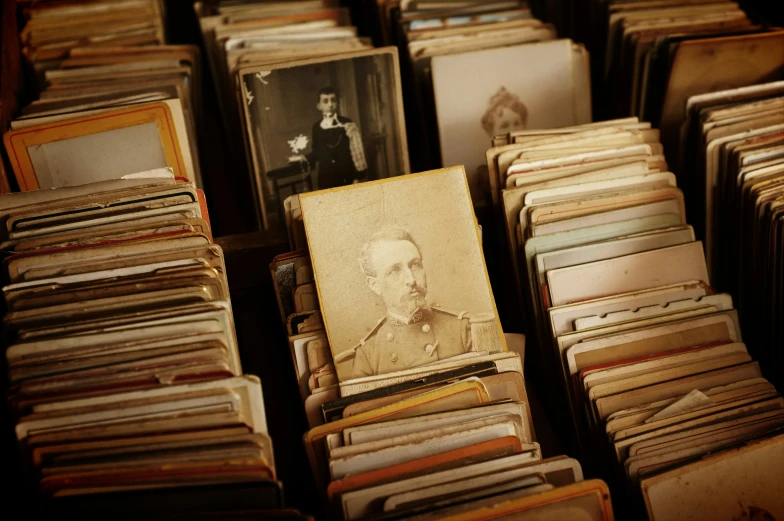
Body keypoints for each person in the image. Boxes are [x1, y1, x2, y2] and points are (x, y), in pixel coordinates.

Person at [350, 225, 473, 378]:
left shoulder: (463, 329)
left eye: (415, 265)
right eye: (395, 270)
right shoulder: (368, 355)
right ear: (375, 285)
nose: (411, 279)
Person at [296, 86, 368, 189]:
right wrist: (304, 157)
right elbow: (317, 152)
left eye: (333, 100)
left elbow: (358, 152)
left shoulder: (347, 124)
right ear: (319, 106)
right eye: (325, 101)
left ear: (337, 103)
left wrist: (357, 177)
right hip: (326, 176)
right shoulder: (316, 127)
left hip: (347, 176)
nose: (330, 104)